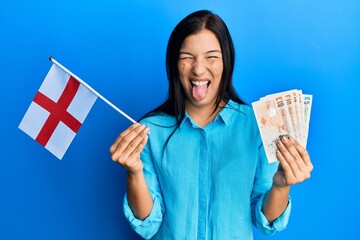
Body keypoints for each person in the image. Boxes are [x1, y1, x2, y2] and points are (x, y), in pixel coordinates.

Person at [110, 10, 313, 239]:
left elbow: (264, 221)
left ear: (226, 62)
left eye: (211, 57)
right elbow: (149, 224)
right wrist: (134, 172)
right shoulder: (150, 131)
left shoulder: (257, 127)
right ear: (174, 64)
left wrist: (280, 185)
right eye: (187, 57)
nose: (198, 69)